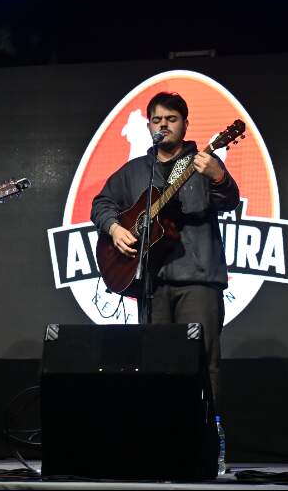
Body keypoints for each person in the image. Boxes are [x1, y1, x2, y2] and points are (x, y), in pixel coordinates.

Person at [90, 92, 240, 409]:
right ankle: (162, 444)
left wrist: (219, 176)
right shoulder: (134, 171)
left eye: (171, 119)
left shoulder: (201, 162)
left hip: (197, 279)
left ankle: (205, 444)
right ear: (149, 125)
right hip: (151, 282)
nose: (164, 125)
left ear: (185, 124)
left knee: (201, 363)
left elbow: (229, 200)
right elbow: (101, 203)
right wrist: (115, 228)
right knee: (155, 365)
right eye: (157, 120)